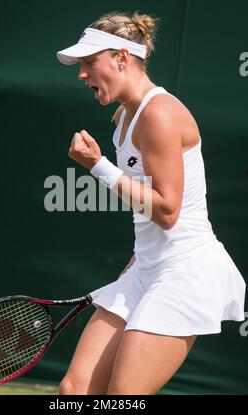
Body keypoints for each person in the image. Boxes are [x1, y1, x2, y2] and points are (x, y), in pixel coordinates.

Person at [55, 11, 246, 395]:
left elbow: (167, 210)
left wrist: (98, 167)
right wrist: (139, 257)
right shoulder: (123, 119)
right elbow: (150, 215)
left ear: (122, 58)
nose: (82, 74)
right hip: (146, 268)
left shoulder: (158, 113)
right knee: (74, 391)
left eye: (90, 62)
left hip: (186, 272)